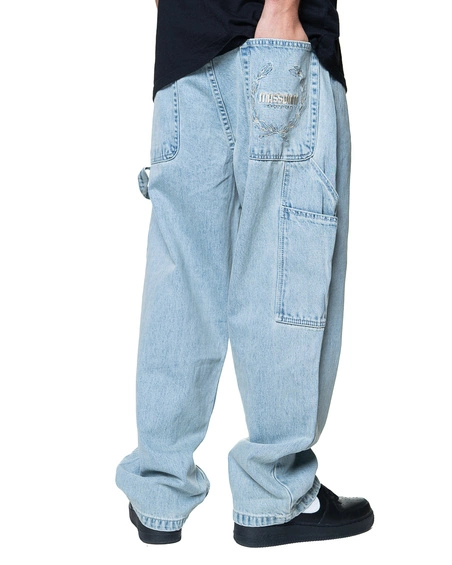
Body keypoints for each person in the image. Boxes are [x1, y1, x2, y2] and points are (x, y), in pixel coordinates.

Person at [115, 0, 374, 548]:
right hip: (274, 37)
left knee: (181, 281)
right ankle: (274, 492)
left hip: (181, 57)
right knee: (286, 266)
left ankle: (158, 493)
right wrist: (282, 9)